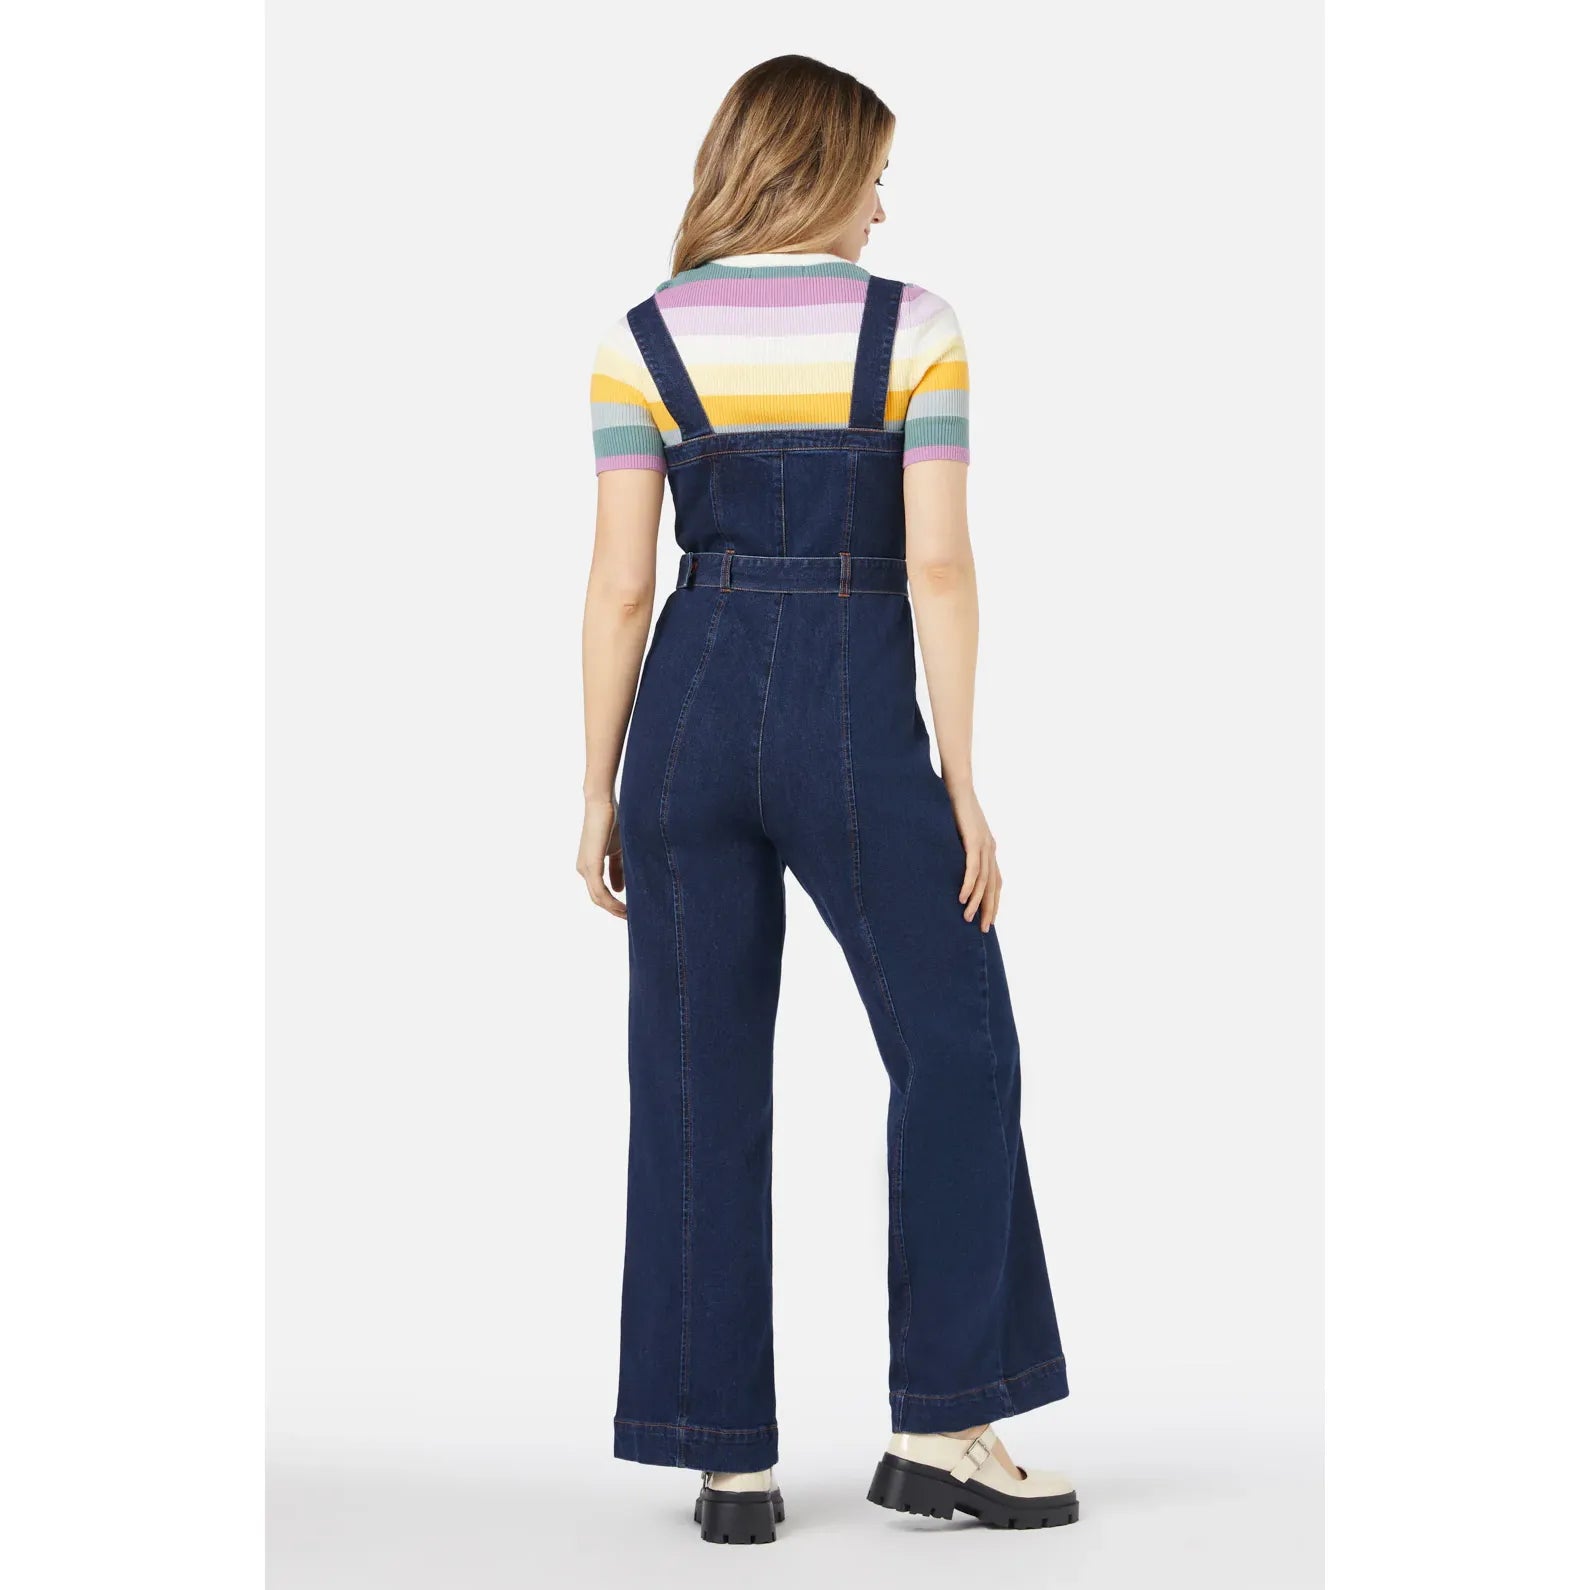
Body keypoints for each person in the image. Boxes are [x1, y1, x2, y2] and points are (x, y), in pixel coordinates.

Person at [578, 54, 1077, 1543]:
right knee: (957, 1044)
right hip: (849, 715)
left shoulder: (641, 339)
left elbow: (619, 588)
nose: (881, 203)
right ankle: (944, 1422)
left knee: (693, 1077)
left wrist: (596, 785)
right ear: (817, 168)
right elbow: (939, 565)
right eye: (873, 172)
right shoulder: (913, 327)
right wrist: (963, 781)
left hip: (682, 712)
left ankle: (725, 1460)